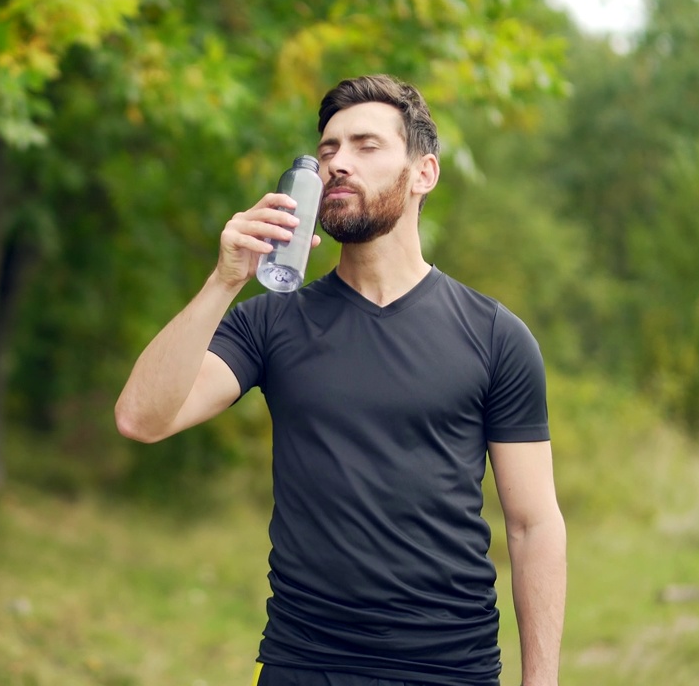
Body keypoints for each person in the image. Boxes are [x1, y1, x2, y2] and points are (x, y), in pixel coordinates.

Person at [114, 75, 566, 686]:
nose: (338, 165)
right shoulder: (271, 322)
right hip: (303, 665)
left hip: (449, 668)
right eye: (327, 151)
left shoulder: (494, 336)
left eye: (365, 146)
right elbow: (141, 418)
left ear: (424, 173)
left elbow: (533, 525)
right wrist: (225, 281)